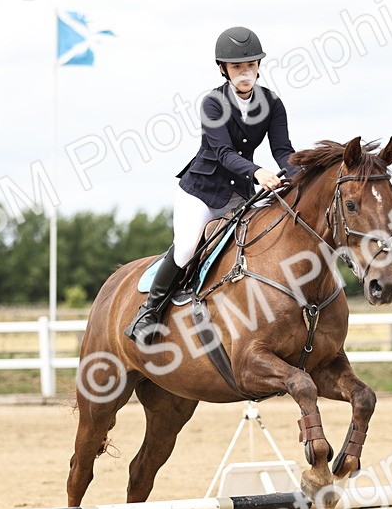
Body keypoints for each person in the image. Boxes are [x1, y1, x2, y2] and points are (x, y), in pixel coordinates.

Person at [125, 25, 297, 343]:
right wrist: (259, 173)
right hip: (201, 192)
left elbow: (283, 151)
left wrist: (301, 177)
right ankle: (148, 312)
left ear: (258, 66)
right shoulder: (213, 104)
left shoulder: (272, 104)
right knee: (188, 247)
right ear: (223, 69)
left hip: (239, 193)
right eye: (237, 67)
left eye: (250, 65)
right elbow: (223, 153)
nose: (245, 72)